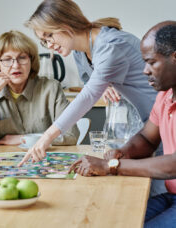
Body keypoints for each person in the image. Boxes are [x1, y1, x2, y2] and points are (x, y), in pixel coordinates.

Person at [18, 0, 158, 169]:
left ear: (66, 25)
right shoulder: (79, 51)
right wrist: (104, 83)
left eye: (49, 36)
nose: (49, 45)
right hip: (144, 126)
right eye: (44, 41)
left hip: (163, 121)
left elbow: (89, 94)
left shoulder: (110, 46)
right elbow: (90, 82)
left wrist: (46, 137)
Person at [68, 21, 176, 227]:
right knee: (114, 220)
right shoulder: (165, 96)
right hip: (171, 196)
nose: (145, 71)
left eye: (152, 62)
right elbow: (147, 138)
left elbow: (173, 164)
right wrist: (123, 151)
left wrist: (112, 166)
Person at [0, 30, 79, 146]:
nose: (16, 65)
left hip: (43, 159)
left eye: (22, 58)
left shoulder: (51, 88)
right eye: (7, 59)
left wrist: (23, 139)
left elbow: (71, 135)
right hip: (3, 160)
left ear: (31, 61)